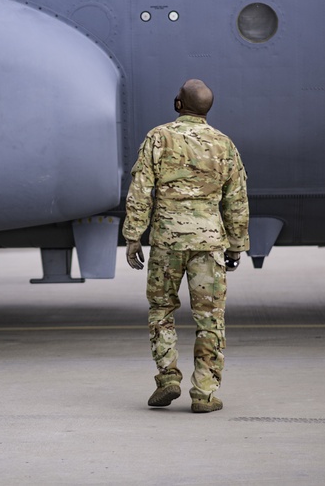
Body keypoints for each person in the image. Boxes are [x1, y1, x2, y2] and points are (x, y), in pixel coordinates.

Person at [123, 79, 249, 413]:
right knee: (210, 318)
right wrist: (237, 244)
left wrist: (133, 234)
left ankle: (168, 379)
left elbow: (141, 189)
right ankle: (204, 393)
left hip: (167, 240)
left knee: (161, 309)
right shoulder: (224, 144)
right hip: (208, 243)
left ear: (178, 104)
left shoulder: (158, 137)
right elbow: (236, 199)